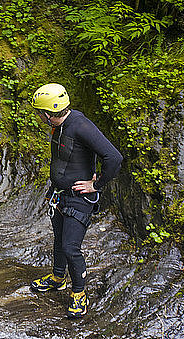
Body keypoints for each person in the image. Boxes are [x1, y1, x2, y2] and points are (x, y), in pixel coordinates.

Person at [29, 83, 123, 318]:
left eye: (39, 113)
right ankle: (58, 278)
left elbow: (114, 157)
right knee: (59, 241)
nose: (38, 117)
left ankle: (79, 294)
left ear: (48, 114)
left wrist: (96, 184)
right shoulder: (57, 126)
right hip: (59, 195)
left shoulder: (81, 126)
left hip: (80, 198)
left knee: (71, 247)